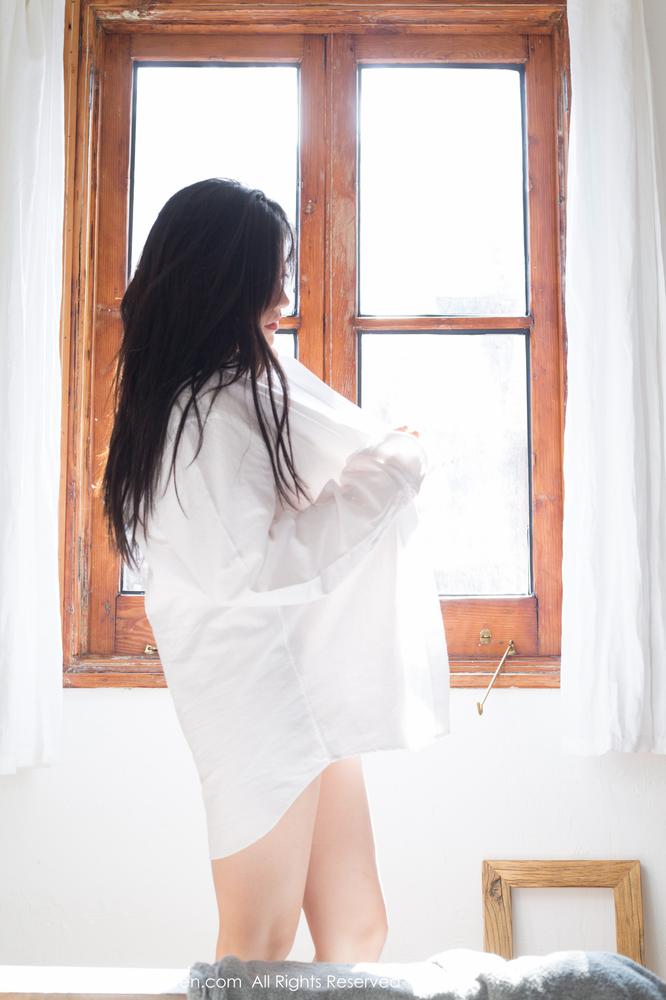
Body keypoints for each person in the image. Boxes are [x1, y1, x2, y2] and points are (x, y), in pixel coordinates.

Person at [101, 178, 450, 964]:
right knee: (257, 949)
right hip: (258, 694)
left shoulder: (237, 386)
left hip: (300, 679)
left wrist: (389, 461)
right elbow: (253, 565)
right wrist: (393, 470)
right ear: (222, 281)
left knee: (358, 930)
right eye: (272, 276)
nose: (285, 300)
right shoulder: (204, 410)